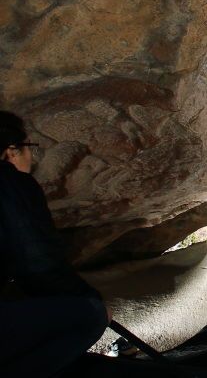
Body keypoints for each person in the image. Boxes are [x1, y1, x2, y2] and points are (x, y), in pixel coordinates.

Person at [0, 111, 110, 376]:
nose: (31, 157)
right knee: (88, 316)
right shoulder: (10, 182)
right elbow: (35, 256)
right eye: (28, 148)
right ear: (11, 152)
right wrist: (90, 301)